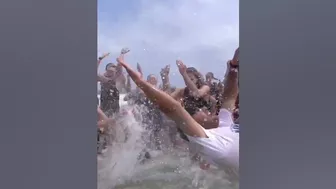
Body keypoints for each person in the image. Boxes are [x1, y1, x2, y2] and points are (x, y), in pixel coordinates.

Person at [116, 48, 239, 178]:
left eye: (192, 78)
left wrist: (183, 74)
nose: (190, 80)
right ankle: (199, 172)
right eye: (188, 78)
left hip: (201, 127)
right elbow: (170, 99)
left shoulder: (205, 88)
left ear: (197, 79)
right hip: (194, 125)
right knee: (197, 156)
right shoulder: (182, 91)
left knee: (202, 152)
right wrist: (162, 80)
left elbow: (195, 95)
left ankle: (203, 169)